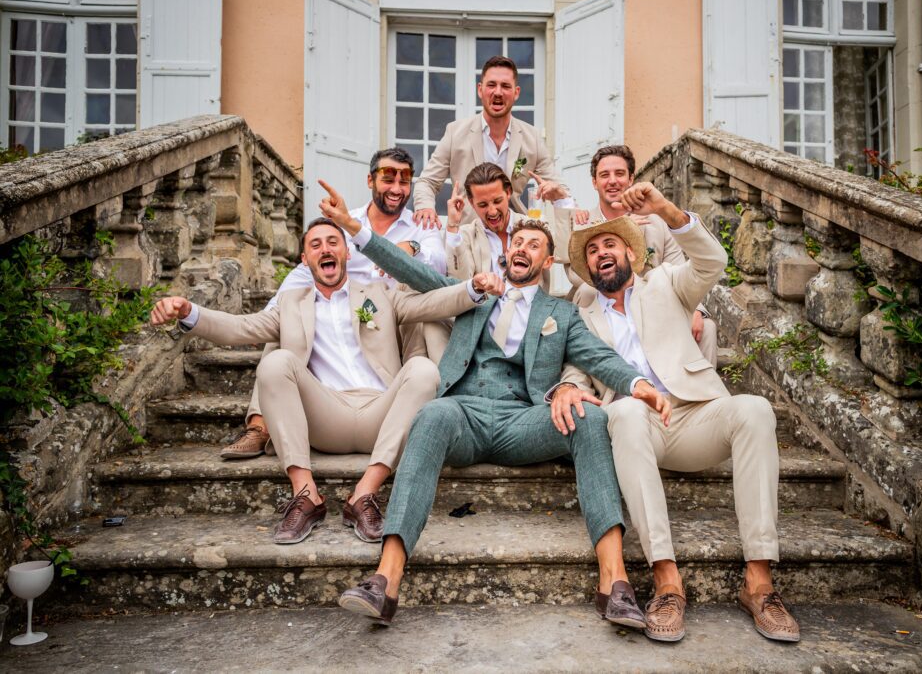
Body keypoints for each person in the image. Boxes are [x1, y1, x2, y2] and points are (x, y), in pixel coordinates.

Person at [316, 181, 671, 629]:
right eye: (517, 242)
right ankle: (385, 581)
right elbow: (412, 271)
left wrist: (638, 383)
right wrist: (353, 227)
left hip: (523, 421)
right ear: (507, 255)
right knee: (430, 414)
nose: (523, 247)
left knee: (590, 416)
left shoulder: (560, 313)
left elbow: (599, 358)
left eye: (534, 244)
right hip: (463, 414)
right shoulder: (476, 293)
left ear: (547, 261)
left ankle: (614, 583)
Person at [149, 218, 503, 544]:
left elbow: (433, 303)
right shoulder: (290, 303)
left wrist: (472, 287)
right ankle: (307, 497)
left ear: (347, 252)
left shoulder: (379, 294)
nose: (326, 249)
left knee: (424, 370)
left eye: (333, 242)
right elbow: (239, 329)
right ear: (305, 258)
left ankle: (364, 494)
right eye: (316, 244)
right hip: (325, 414)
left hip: (380, 414)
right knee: (276, 362)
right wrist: (188, 311)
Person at [556, 182, 799, 643]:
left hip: (697, 416)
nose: (601, 253)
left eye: (610, 244)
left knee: (754, 408)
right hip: (639, 429)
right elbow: (574, 371)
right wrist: (566, 389)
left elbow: (713, 262)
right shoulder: (583, 315)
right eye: (592, 251)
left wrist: (668, 211)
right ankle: (667, 581)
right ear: (588, 268)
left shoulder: (666, 282)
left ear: (630, 252)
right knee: (623, 411)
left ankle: (759, 582)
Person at [221, 148, 446, 463]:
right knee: (289, 322)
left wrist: (413, 245)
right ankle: (259, 426)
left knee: (423, 319)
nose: (397, 188)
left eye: (405, 180)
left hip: (398, 324)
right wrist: (273, 311)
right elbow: (304, 273)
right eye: (388, 177)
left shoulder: (421, 225)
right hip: (345, 315)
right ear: (370, 179)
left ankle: (437, 412)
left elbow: (438, 265)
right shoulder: (344, 221)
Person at [573, 145, 718, 366]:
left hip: (657, 307)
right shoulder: (584, 223)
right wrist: (616, 232)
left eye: (619, 174)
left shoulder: (656, 223)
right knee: (585, 292)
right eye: (604, 175)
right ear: (595, 182)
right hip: (609, 306)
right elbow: (577, 276)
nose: (612, 181)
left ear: (631, 179)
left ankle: (704, 395)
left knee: (706, 327)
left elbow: (681, 268)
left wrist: (696, 309)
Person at [412, 55, 573, 227]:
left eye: (505, 86)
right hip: (468, 234)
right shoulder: (455, 132)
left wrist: (558, 194)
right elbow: (427, 182)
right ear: (480, 90)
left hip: (515, 237)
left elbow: (561, 189)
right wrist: (425, 207)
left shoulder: (531, 137)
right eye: (491, 85)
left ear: (516, 92)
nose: (498, 92)